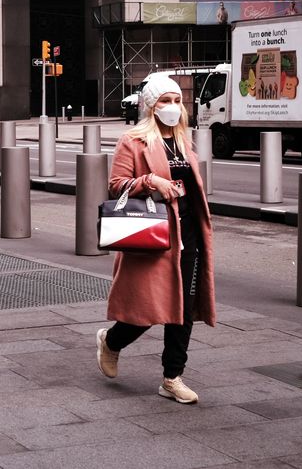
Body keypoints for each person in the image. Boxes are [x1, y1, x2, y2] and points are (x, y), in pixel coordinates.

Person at [95, 74, 216, 405]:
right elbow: (117, 184)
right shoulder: (132, 141)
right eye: (165, 101)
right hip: (155, 234)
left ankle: (172, 377)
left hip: (187, 233)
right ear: (150, 105)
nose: (173, 107)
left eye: (177, 101)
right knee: (148, 309)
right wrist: (150, 181)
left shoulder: (183, 141)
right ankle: (112, 341)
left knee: (184, 308)